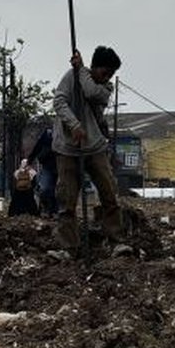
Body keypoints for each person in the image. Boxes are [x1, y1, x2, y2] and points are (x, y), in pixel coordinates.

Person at [52, 46, 123, 249]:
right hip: (67, 148)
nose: (106, 77)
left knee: (109, 194)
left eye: (110, 74)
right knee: (67, 202)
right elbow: (59, 102)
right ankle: (69, 247)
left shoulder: (105, 88)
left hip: (95, 146)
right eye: (104, 72)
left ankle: (116, 241)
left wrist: (82, 70)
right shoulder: (71, 77)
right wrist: (74, 125)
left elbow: (92, 93)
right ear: (95, 67)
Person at [27, 127, 59, 216]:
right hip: (48, 166)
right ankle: (47, 208)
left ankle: (55, 210)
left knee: (59, 190)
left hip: (62, 165)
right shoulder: (49, 133)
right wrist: (30, 159)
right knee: (45, 188)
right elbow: (38, 145)